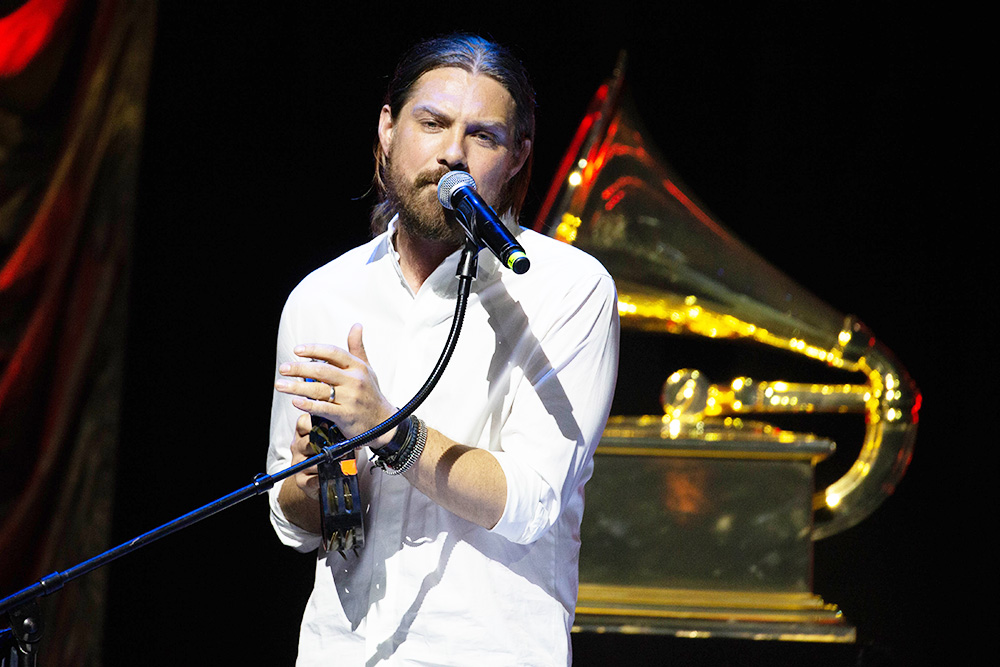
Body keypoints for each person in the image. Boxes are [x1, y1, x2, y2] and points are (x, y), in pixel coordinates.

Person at [266, 33, 619, 666]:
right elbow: (291, 521)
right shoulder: (322, 295)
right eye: (431, 123)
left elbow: (532, 501)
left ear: (516, 158)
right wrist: (315, 481)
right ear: (388, 130)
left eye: (484, 136)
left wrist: (385, 429)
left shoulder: (569, 288)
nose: (452, 152)